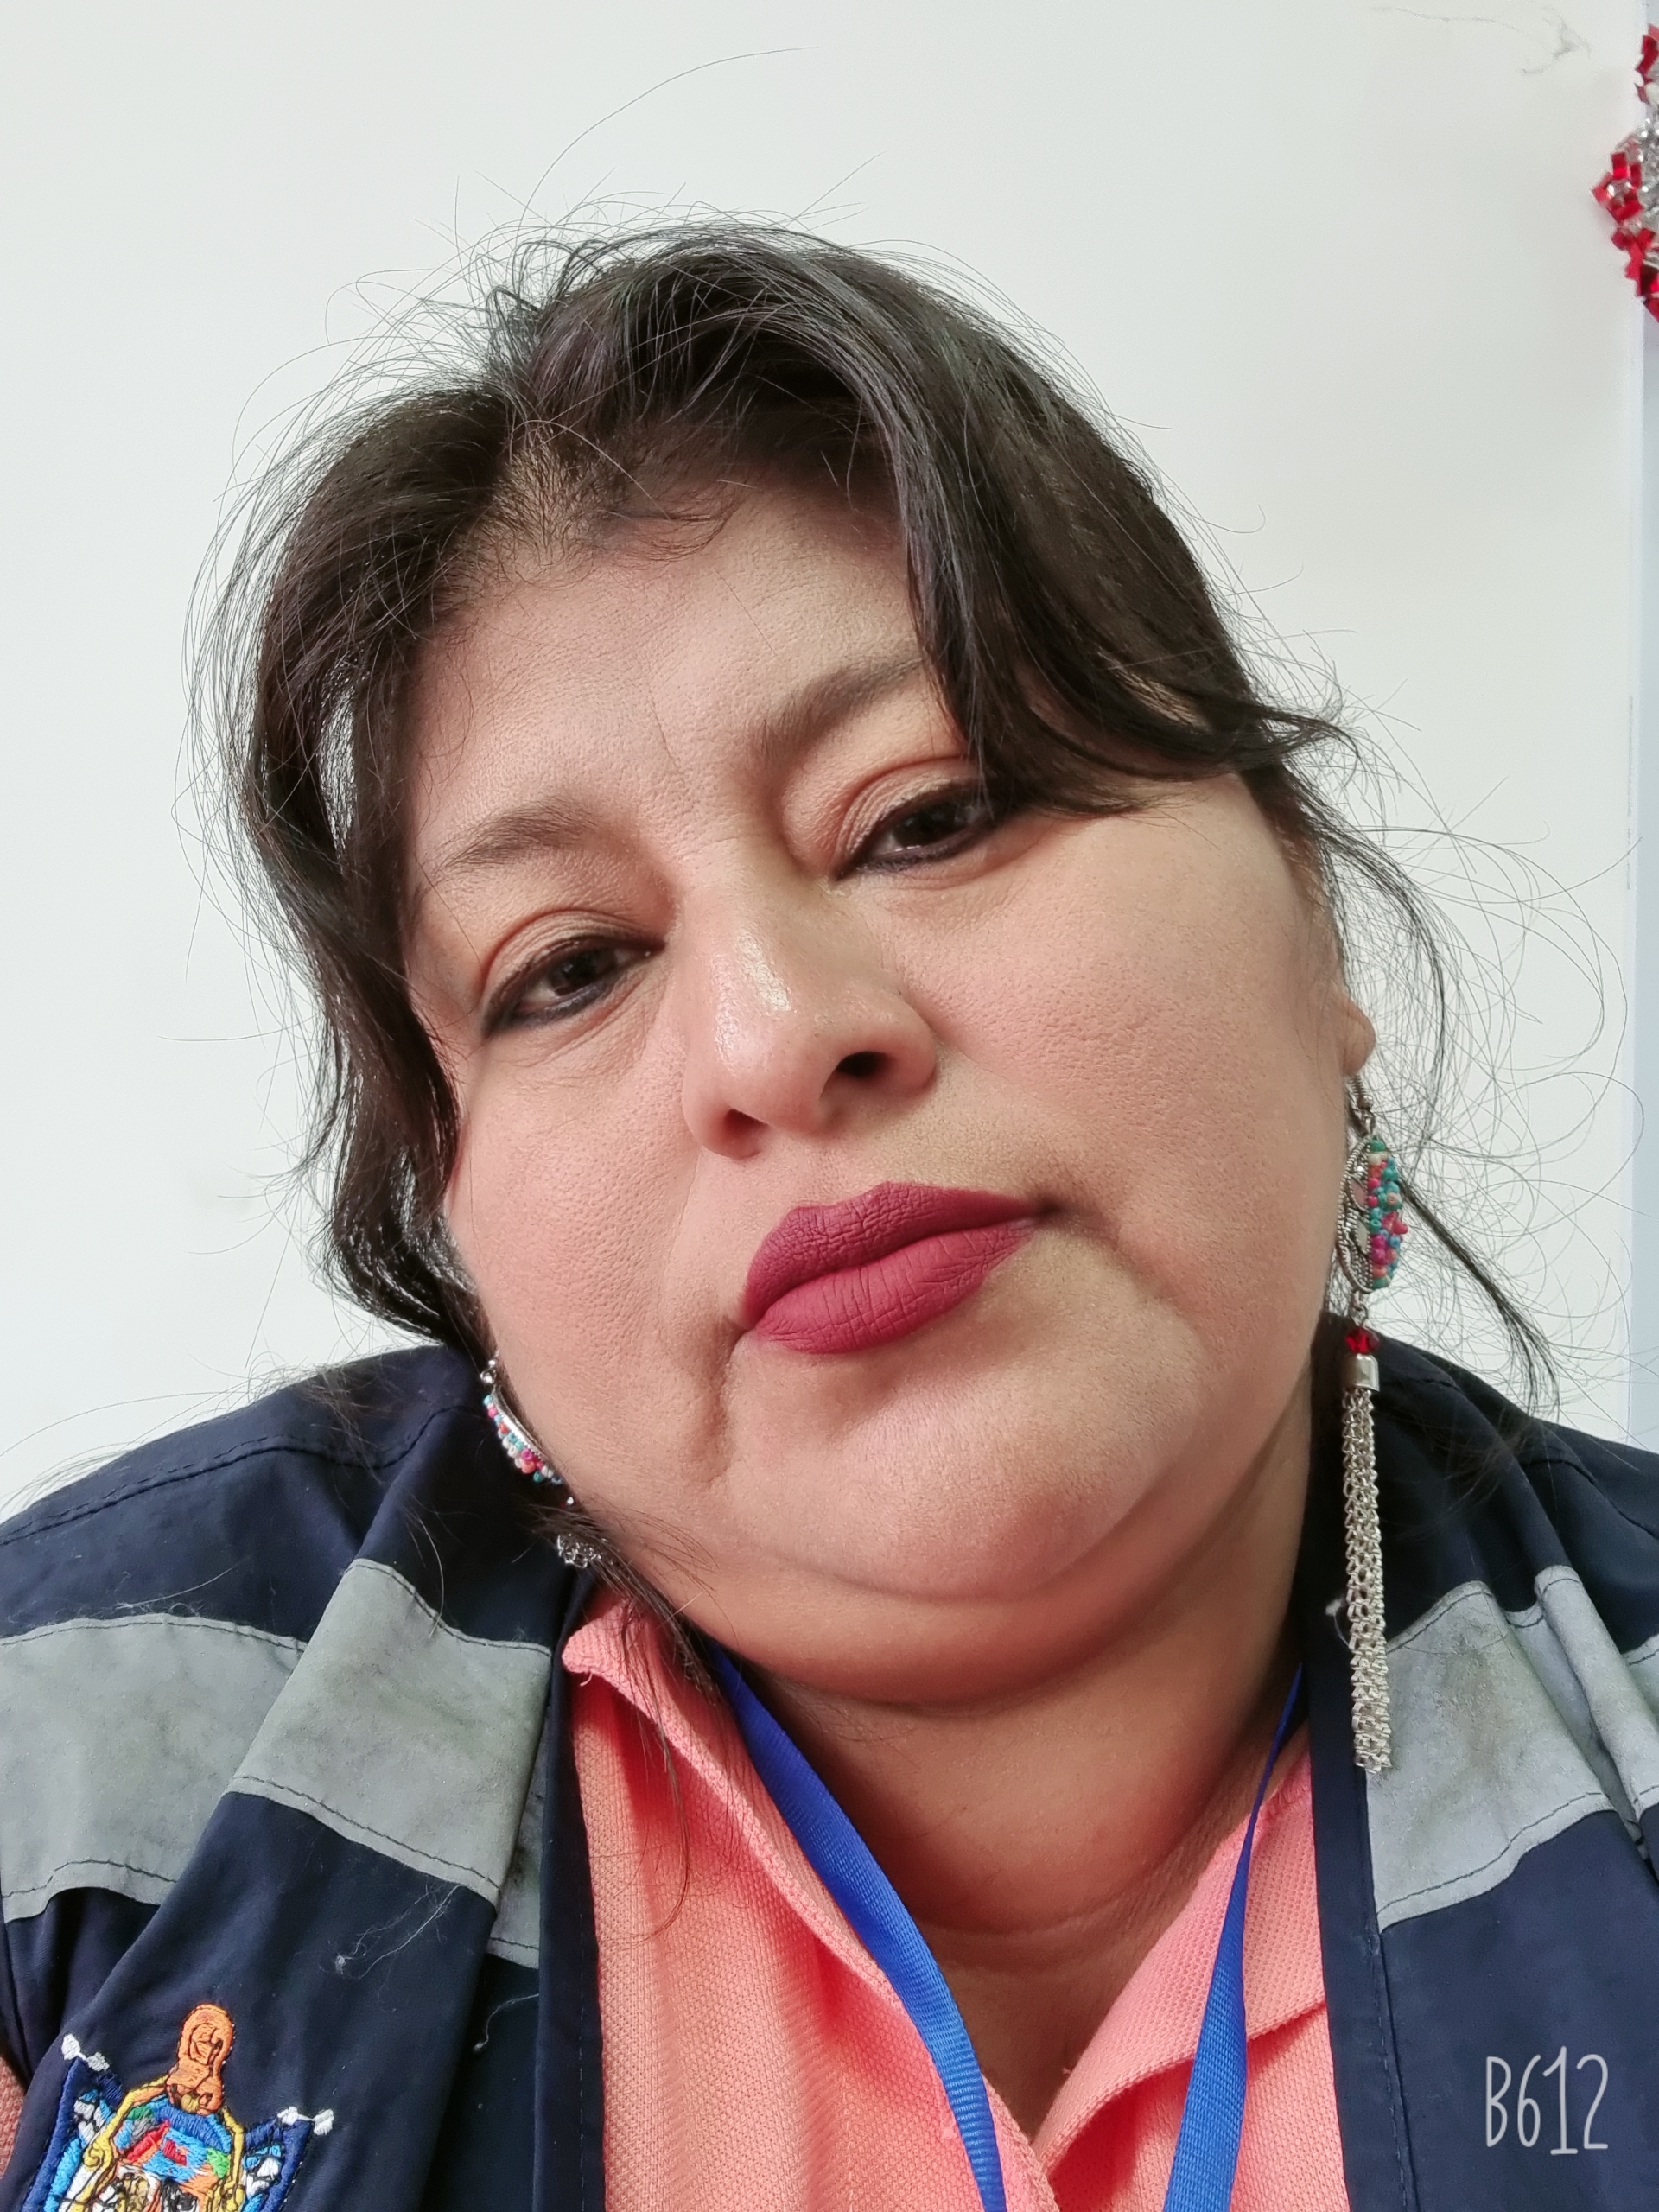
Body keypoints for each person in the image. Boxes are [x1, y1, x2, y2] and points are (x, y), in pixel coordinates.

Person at [1, 226, 1655, 2212]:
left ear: (1311, 916)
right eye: (569, 966)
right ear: (457, 1226)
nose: (780, 1038)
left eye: (928, 815)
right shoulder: (73, 1763)